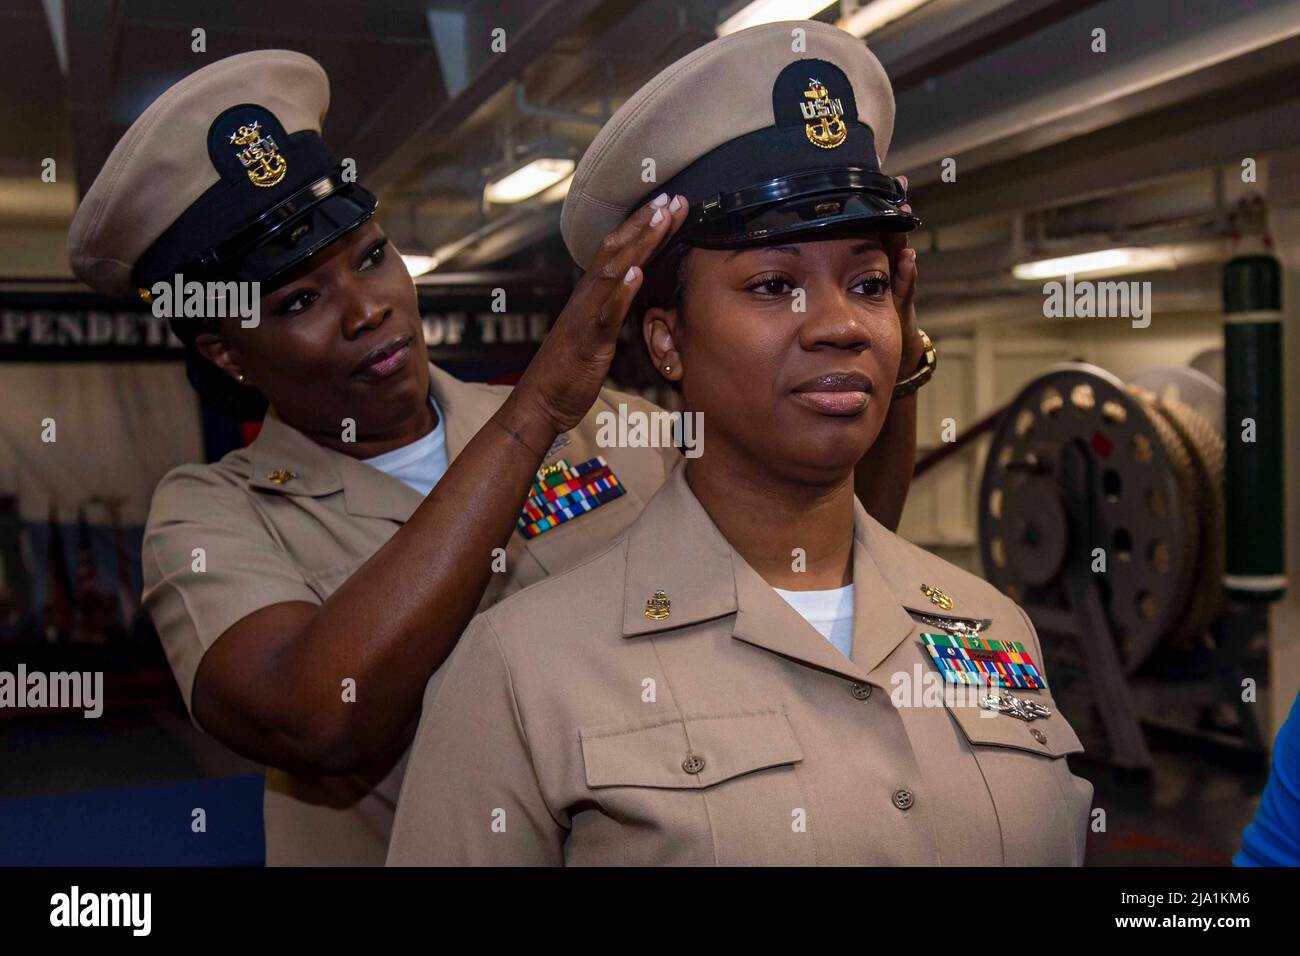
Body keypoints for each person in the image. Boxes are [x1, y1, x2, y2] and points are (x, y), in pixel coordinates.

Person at [65, 47, 924, 865]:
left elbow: (832, 551)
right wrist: (534, 412)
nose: (367, 309)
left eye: (373, 257)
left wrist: (893, 353)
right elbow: (316, 717)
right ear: (226, 351)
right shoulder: (216, 515)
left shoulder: (605, 432)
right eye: (299, 299)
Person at [387, 19, 1092, 866]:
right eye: (773, 285)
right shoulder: (524, 670)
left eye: (868, 284)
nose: (839, 325)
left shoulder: (993, 624)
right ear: (666, 341)